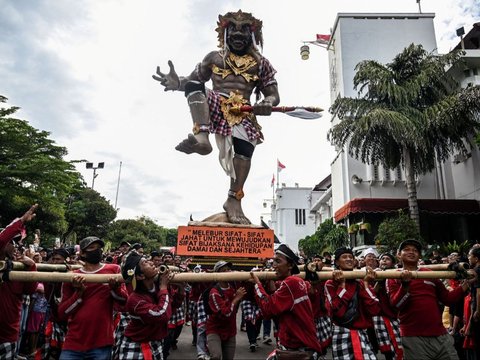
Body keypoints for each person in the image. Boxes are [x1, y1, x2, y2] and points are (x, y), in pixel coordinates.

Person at [153, 10, 280, 225]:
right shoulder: (213, 57)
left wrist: (267, 103)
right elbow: (191, 81)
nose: (238, 35)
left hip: (243, 111)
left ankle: (234, 199)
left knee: (244, 154)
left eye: (244, 31)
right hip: (214, 103)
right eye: (233, 30)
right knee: (195, 86)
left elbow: (273, 94)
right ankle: (202, 138)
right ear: (225, 33)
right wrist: (177, 83)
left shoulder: (261, 63)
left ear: (252, 36)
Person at [386, 239, 471, 360]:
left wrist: (466, 285)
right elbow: (396, 305)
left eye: (415, 250)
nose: (411, 252)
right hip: (413, 338)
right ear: (398, 255)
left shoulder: (430, 274)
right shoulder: (393, 276)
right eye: (407, 250)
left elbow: (447, 298)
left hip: (441, 336)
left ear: (419, 255)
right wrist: (405, 286)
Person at [58, 236, 128, 359]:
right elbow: (62, 313)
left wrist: (114, 288)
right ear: (83, 253)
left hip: (101, 342)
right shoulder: (73, 277)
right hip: (74, 341)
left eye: (99, 248)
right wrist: (78, 294)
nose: (97, 251)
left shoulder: (113, 270)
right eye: (92, 248)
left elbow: (124, 302)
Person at [251, 244, 322, 359]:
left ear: (290, 265)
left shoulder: (291, 283)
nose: (274, 265)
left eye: (278, 262)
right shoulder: (295, 282)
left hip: (298, 350)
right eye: (273, 261)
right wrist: (267, 281)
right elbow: (276, 292)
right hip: (298, 347)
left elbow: (268, 309)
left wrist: (257, 285)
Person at [325, 247, 381, 360]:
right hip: (342, 333)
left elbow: (375, 309)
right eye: (344, 257)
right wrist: (342, 286)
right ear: (336, 262)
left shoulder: (361, 282)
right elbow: (338, 312)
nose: (349, 259)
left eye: (351, 257)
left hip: (363, 333)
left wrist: (366, 284)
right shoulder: (330, 283)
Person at [0, 204, 39, 359]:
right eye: (13, 241)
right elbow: (2, 239)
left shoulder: (20, 266)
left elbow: (30, 289)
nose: (16, 246)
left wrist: (31, 266)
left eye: (18, 242)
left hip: (8, 334)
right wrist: (21, 220)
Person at [117, 250, 171, 359]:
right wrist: (164, 288)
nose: (152, 263)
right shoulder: (135, 300)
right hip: (136, 345)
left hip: (155, 342)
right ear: (140, 276)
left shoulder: (157, 287)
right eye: (145, 263)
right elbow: (162, 315)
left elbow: (172, 307)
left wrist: (180, 288)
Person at [206, 260, 246, 360]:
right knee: (216, 356)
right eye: (224, 270)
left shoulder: (234, 287)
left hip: (230, 331)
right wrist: (236, 298)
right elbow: (225, 314)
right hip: (215, 330)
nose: (228, 272)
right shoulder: (214, 293)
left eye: (229, 269)